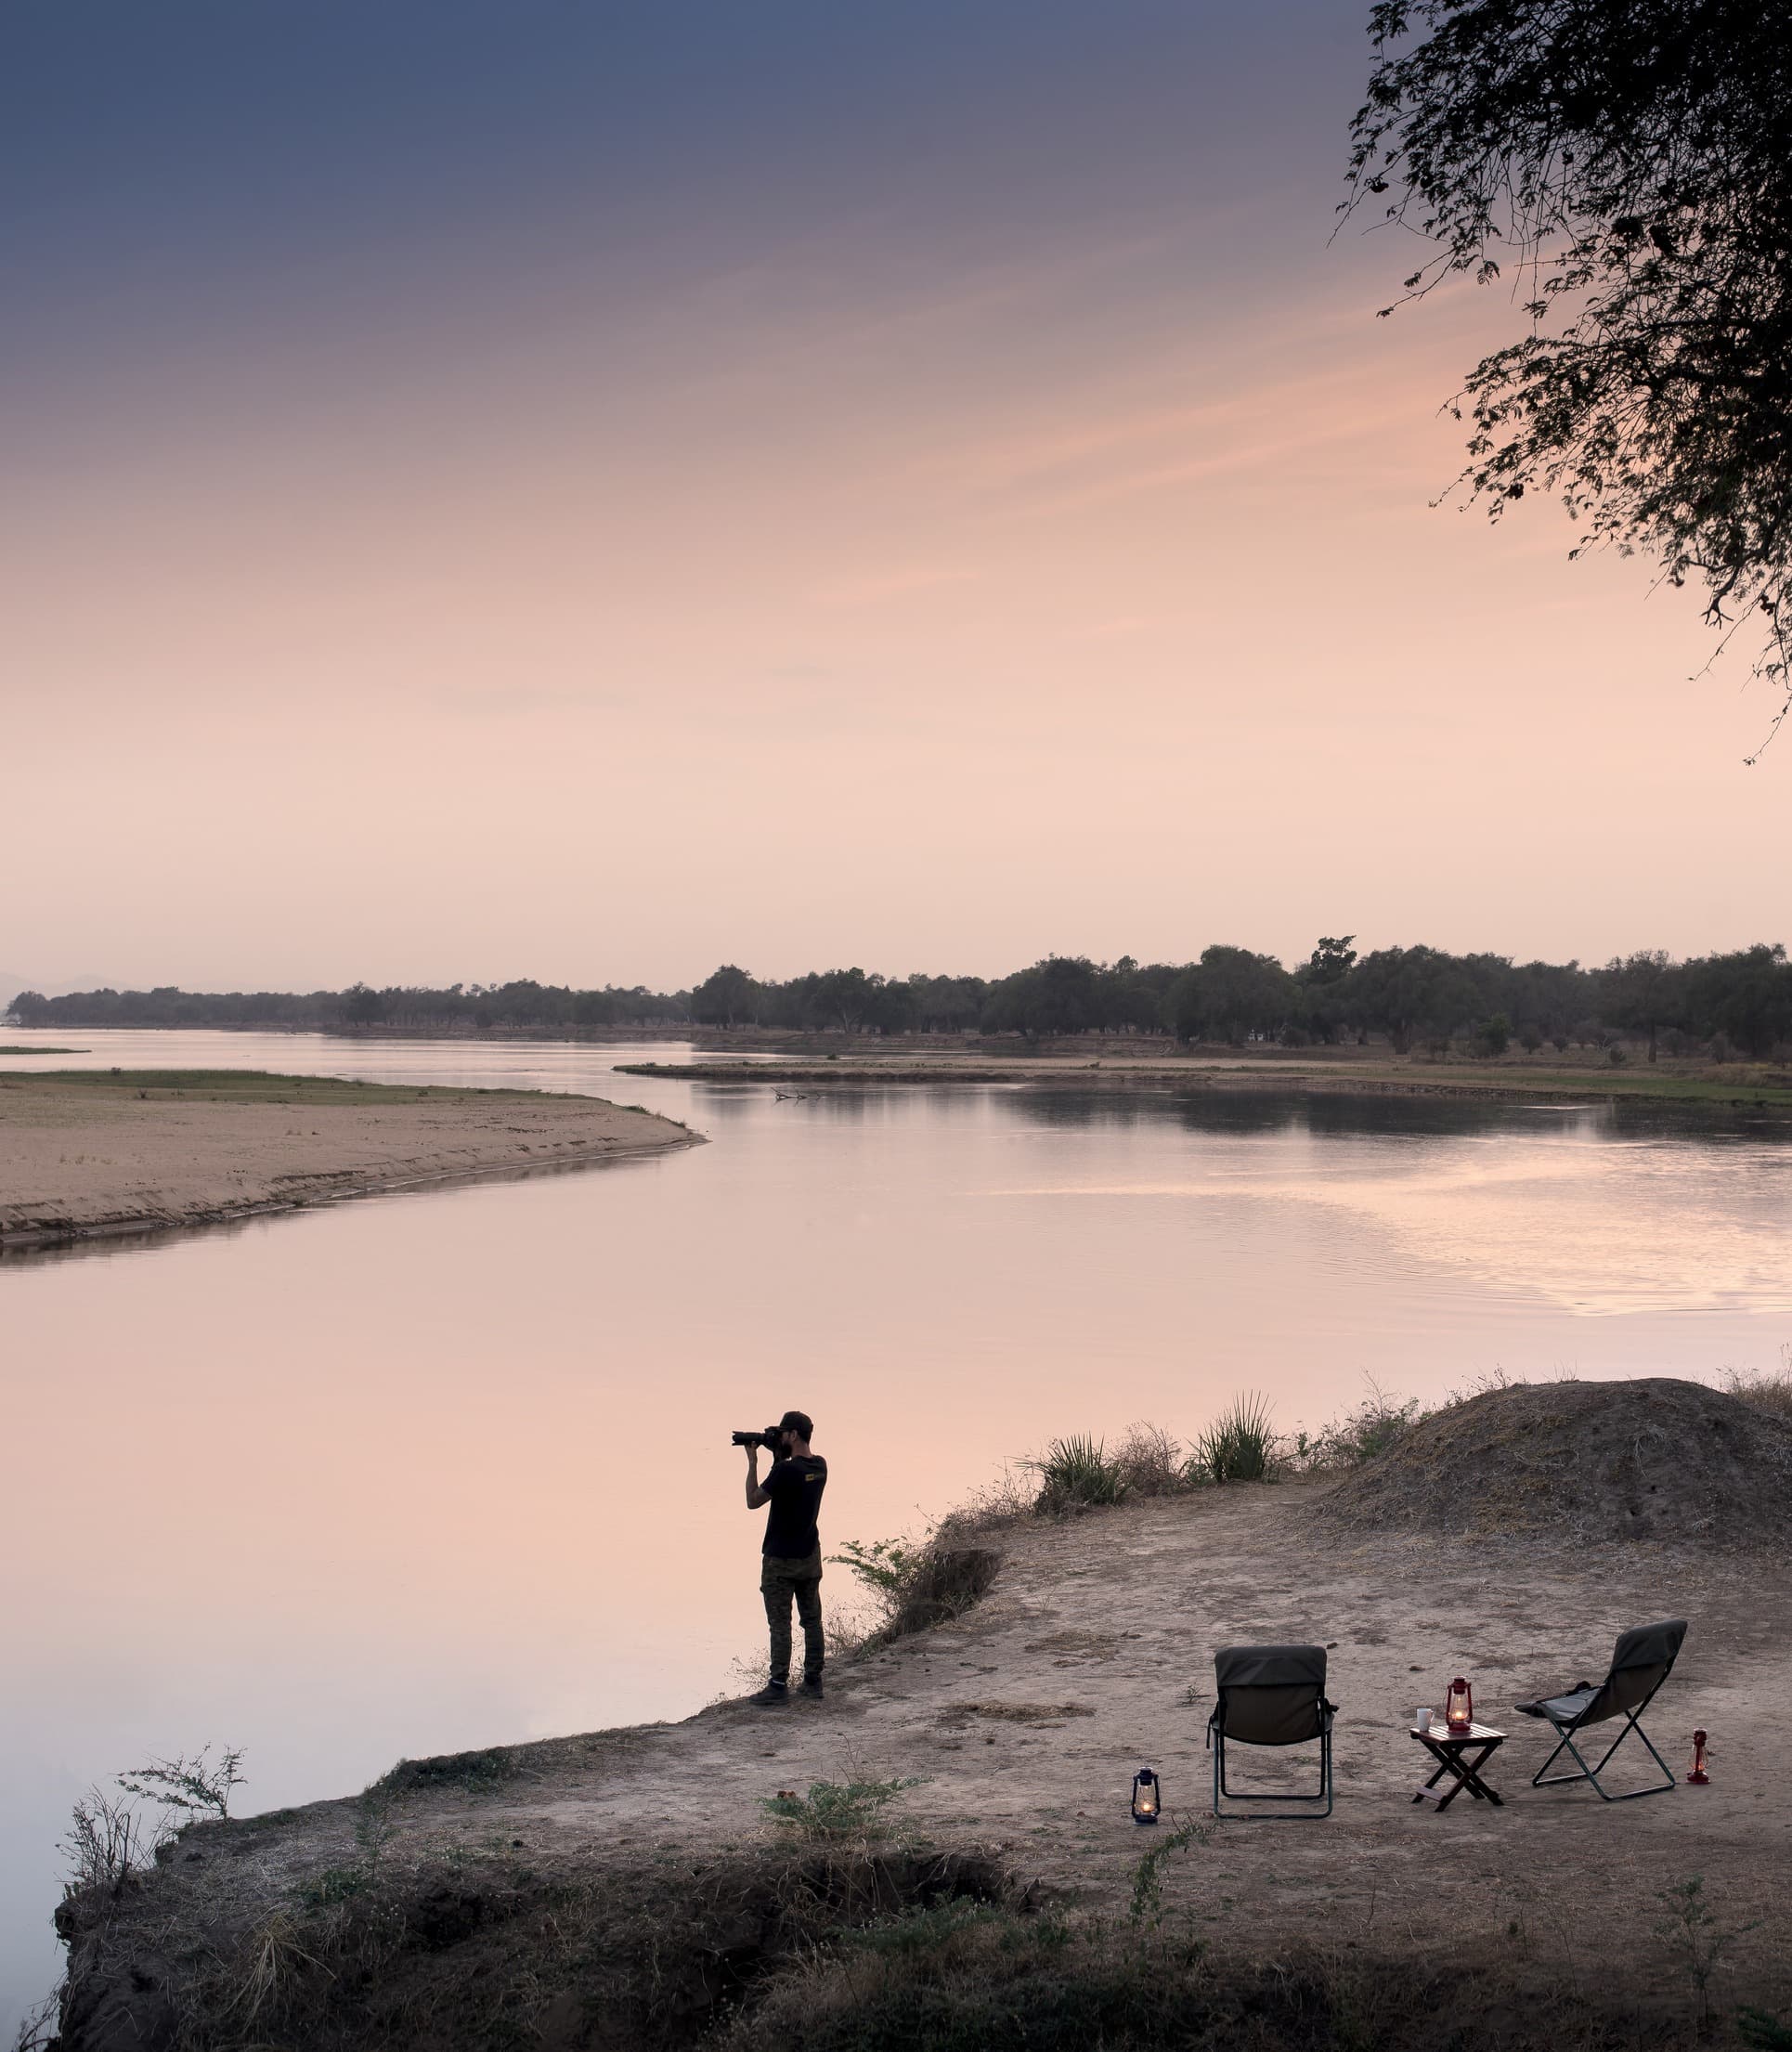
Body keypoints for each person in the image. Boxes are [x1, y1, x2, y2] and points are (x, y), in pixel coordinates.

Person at [744, 1409, 826, 1706]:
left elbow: (754, 1500)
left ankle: (778, 1685)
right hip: (809, 1555)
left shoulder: (784, 1471)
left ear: (792, 1434)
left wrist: (754, 1462)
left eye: (783, 1433)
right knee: (812, 1621)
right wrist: (779, 1456)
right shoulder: (820, 1467)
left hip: (780, 1560)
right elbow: (792, 1478)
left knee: (780, 1624)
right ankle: (813, 1681)